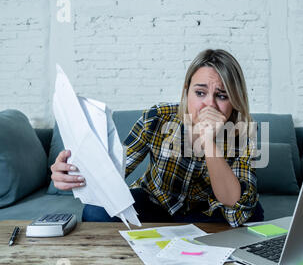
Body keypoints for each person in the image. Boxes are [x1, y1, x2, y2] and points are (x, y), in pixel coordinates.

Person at [50, 49, 264, 227]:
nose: (209, 105)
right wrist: (73, 172)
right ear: (187, 91)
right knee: (96, 211)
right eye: (200, 93)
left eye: (222, 96)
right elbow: (114, 170)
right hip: (155, 204)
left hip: (207, 212)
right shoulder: (158, 117)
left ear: (235, 99)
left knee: (251, 215)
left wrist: (209, 141)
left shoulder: (244, 132)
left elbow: (233, 202)